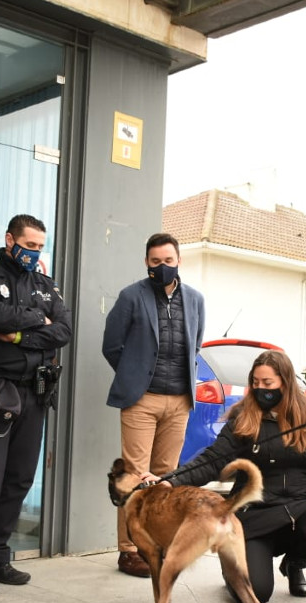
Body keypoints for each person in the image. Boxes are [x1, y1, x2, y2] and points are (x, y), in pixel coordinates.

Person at [143, 350, 306, 603]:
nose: (260, 389)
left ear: (286, 382)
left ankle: (295, 563)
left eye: (267, 383)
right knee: (256, 594)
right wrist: (169, 480)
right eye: (255, 383)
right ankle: (232, 567)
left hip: (298, 508)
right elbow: (212, 461)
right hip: (253, 516)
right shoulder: (243, 417)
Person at [0, 215, 71, 596]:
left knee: (20, 476)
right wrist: (40, 320)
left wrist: (21, 333)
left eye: (41, 246)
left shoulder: (46, 285)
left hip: (35, 392)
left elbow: (64, 330)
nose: (35, 252)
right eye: (30, 244)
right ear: (10, 240)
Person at [102, 232, 206, 577]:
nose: (163, 267)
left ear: (179, 261)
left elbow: (196, 346)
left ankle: (156, 545)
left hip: (179, 401)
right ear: (147, 262)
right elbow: (112, 344)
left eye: (168, 261)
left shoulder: (195, 299)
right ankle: (129, 550)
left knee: (164, 478)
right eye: (155, 261)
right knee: (134, 476)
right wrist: (134, 376)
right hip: (141, 401)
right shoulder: (132, 296)